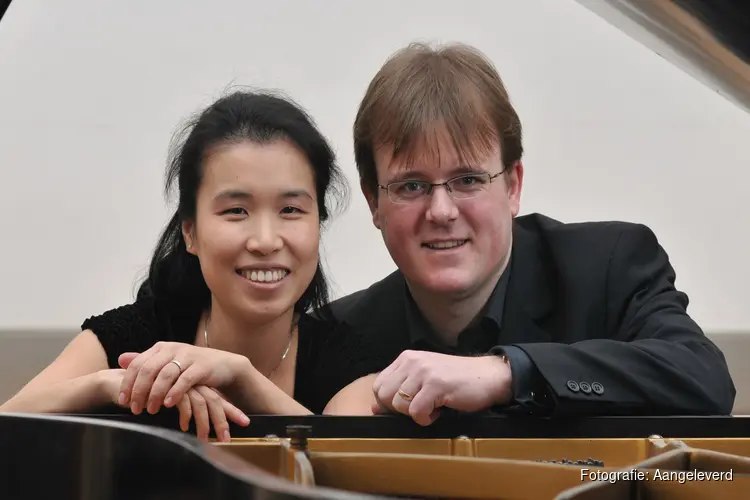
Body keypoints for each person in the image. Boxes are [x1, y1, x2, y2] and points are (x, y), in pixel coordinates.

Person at [319, 42, 736, 426]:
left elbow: (704, 378)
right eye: (411, 186)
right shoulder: (339, 336)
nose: (441, 211)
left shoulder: (609, 267)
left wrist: (508, 372)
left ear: (512, 186)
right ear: (374, 201)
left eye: (467, 180)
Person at [0, 90, 351, 440]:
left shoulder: (348, 357)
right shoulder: (133, 340)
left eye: (290, 210)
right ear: (190, 233)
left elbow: (361, 462)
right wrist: (110, 385)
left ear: (318, 224)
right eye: (236, 211)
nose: (265, 241)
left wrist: (242, 378)